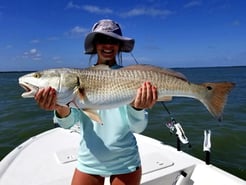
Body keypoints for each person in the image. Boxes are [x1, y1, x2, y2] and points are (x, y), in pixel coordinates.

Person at [35, 19, 158, 185]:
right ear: (95, 45)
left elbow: (138, 127)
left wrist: (137, 107)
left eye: (113, 40)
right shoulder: (76, 83)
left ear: (120, 45)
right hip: (89, 161)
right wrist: (59, 107)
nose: (108, 45)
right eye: (102, 40)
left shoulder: (133, 77)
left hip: (126, 162)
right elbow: (68, 124)